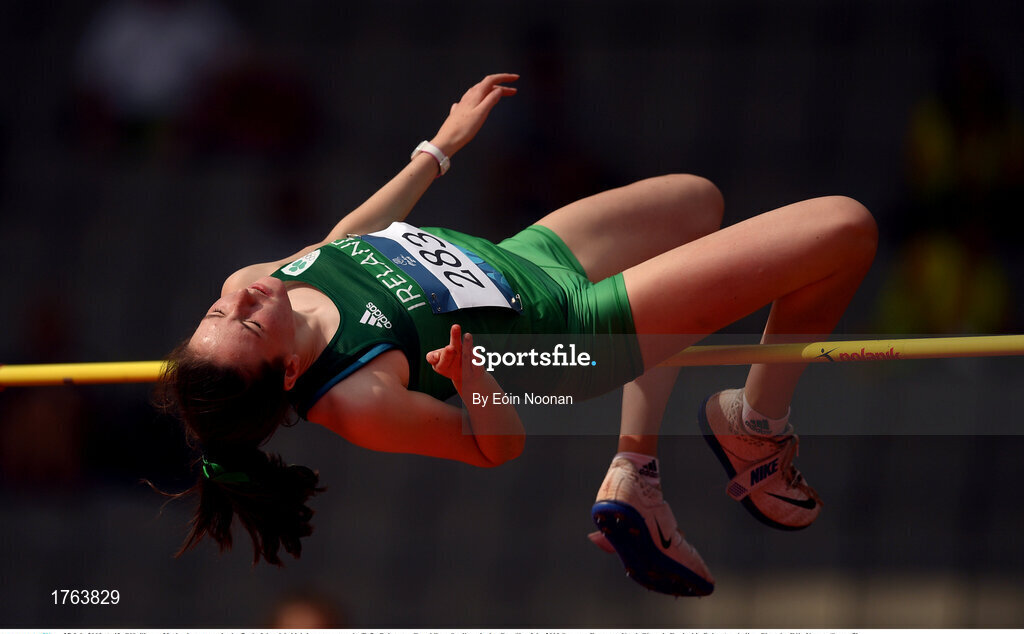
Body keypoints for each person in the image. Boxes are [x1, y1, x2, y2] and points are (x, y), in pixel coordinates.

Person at [159, 73, 877, 597]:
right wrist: (475, 381)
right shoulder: (357, 397)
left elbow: (346, 242)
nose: (242, 296)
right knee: (844, 227)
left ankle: (637, 475)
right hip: (568, 335)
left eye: (216, 315)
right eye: (248, 323)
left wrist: (438, 149)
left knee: (698, 202)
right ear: (287, 374)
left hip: (527, 258)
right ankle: (756, 425)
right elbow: (494, 447)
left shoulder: (256, 279)